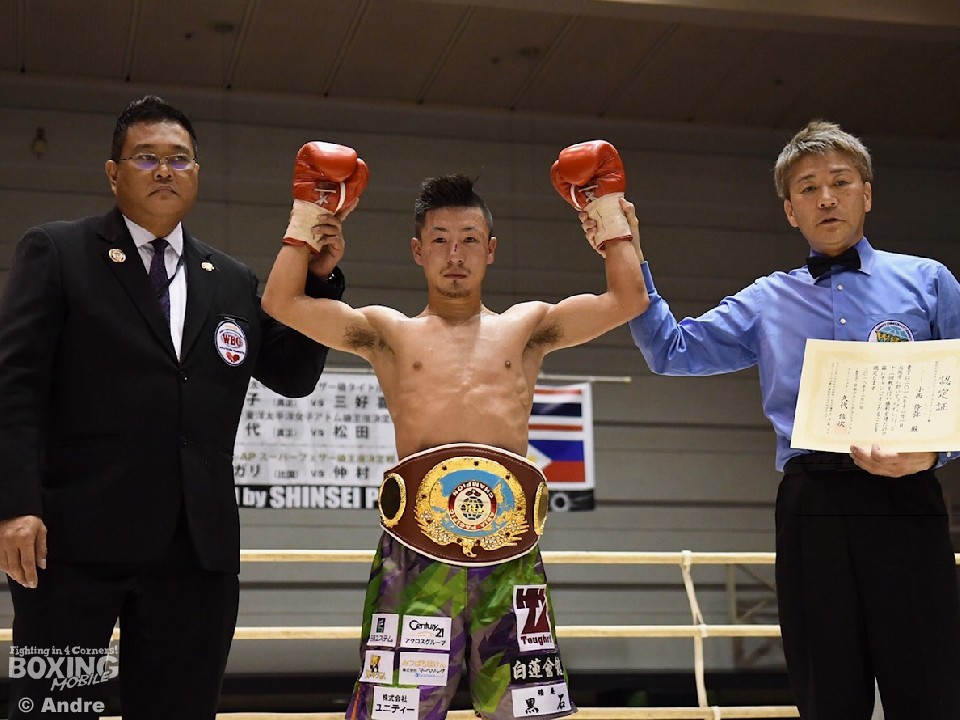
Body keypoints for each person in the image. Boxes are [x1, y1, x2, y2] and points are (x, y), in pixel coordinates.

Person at [262, 161, 648, 719]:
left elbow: (628, 299)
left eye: (469, 239)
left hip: (512, 555)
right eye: (440, 240)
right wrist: (307, 219)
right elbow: (280, 303)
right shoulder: (388, 332)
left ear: (491, 249)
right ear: (417, 251)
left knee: (526, 712)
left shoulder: (527, 327)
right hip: (416, 554)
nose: (455, 254)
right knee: (398, 712)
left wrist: (609, 216)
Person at [0, 95, 345, 719]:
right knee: (55, 710)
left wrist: (317, 281)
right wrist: (16, 505)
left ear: (198, 174)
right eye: (146, 157)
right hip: (73, 544)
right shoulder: (58, 251)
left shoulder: (231, 279)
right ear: (114, 173)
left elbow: (293, 376)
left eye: (179, 159)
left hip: (195, 550)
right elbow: (15, 385)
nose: (164, 170)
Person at [619, 119, 960, 720]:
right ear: (789, 210)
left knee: (929, 686)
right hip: (813, 506)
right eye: (808, 187)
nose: (826, 197)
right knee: (827, 689)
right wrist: (628, 253)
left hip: (907, 496)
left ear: (867, 194)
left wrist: (936, 454)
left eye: (840, 182)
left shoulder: (928, 281)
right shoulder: (767, 299)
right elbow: (672, 350)